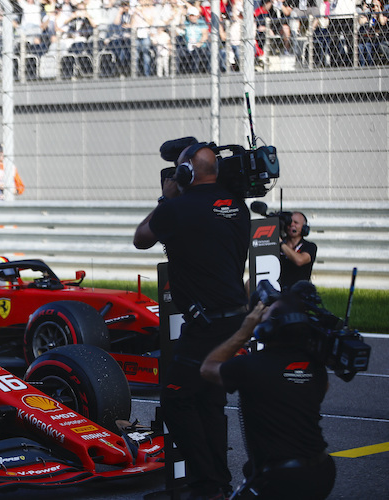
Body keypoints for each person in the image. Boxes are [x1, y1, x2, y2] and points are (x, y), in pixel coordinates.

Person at [133, 139, 251, 500]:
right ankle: (215, 485)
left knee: (175, 400)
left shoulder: (177, 208)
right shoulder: (238, 207)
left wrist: (166, 197)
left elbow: (141, 238)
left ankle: (208, 482)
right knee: (209, 403)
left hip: (206, 325)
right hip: (235, 320)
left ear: (185, 172)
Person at [200, 282, 336, 500]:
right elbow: (321, 389)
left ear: (269, 328)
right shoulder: (316, 370)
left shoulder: (250, 367)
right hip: (322, 471)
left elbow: (208, 368)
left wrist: (244, 331)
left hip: (282, 479)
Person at [280, 211, 317, 290]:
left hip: (299, 291)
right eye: (289, 222)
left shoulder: (310, 246)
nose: (292, 225)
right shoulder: (277, 244)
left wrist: (281, 244)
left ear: (304, 228)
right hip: (279, 287)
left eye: (296, 223)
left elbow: (299, 260)